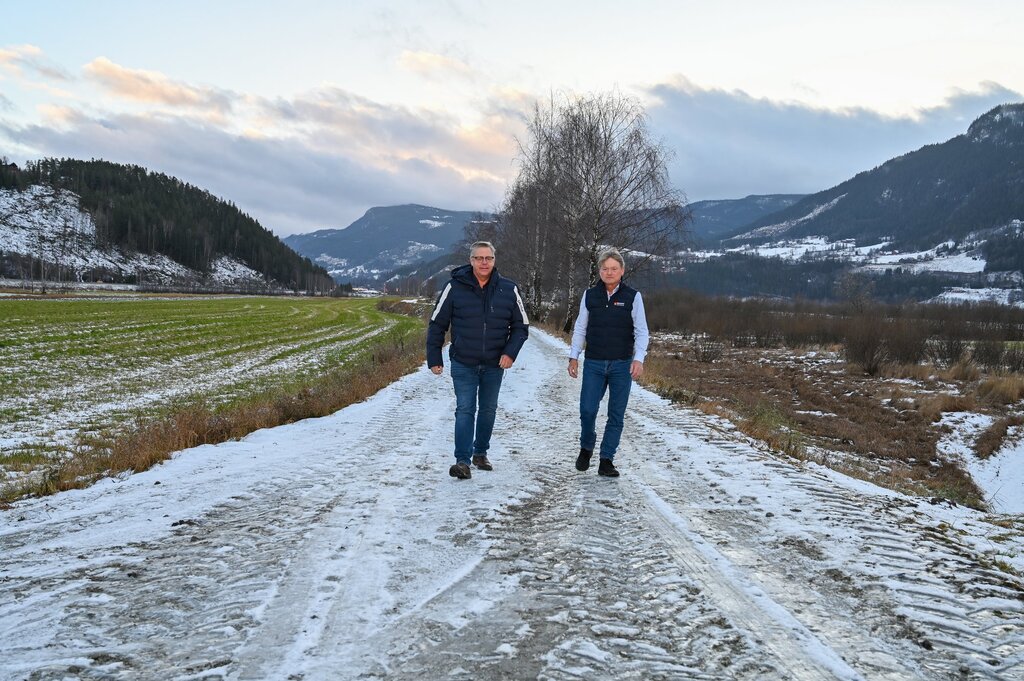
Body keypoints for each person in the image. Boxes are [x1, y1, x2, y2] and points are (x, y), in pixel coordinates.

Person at [427, 241, 530, 480]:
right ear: (471, 260)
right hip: (464, 361)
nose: (484, 262)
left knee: (488, 409)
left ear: (494, 261)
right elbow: (437, 324)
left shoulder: (509, 289)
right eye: (479, 258)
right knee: (465, 409)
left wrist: (510, 353)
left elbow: (521, 326)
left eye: (488, 258)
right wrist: (434, 356)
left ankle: (480, 453)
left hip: (495, 364)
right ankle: (462, 461)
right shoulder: (454, 287)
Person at [567, 248, 649, 477]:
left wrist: (638, 359)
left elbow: (642, 331)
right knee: (587, 409)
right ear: (599, 271)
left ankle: (606, 459)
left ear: (622, 271)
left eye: (614, 269)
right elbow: (581, 327)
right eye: (605, 269)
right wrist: (574, 356)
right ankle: (586, 446)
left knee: (616, 413)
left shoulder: (633, 297)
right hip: (594, 362)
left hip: (622, 364)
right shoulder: (589, 295)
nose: (609, 272)